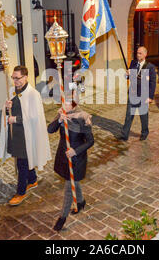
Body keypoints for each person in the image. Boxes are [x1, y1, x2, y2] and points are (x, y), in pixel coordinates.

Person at [0, 66, 51, 206]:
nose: (15, 81)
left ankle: (20, 192)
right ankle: (32, 180)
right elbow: (7, 111)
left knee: (22, 163)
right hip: (14, 133)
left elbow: (35, 117)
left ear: (26, 77)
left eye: (18, 78)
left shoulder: (33, 94)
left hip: (27, 134)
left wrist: (15, 119)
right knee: (23, 159)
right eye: (13, 78)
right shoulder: (11, 91)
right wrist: (6, 106)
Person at [48, 99, 94, 231]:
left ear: (74, 104)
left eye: (66, 104)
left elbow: (90, 141)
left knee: (69, 188)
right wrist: (59, 121)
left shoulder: (82, 117)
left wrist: (76, 151)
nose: (63, 106)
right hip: (63, 156)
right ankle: (80, 202)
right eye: (63, 103)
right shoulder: (61, 114)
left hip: (77, 158)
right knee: (74, 182)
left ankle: (62, 218)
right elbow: (50, 130)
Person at [118, 47, 156, 141]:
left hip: (143, 95)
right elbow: (128, 77)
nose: (138, 55)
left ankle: (144, 133)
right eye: (137, 53)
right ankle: (124, 134)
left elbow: (152, 83)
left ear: (145, 54)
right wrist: (127, 74)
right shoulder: (133, 63)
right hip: (133, 93)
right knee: (128, 116)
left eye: (140, 53)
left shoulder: (150, 67)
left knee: (143, 116)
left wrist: (150, 97)